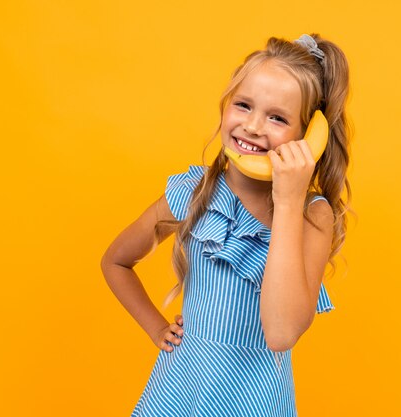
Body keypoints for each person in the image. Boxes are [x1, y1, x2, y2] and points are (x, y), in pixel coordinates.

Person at [100, 33, 351, 417]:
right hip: (180, 388)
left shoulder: (310, 215)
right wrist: (155, 327)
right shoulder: (193, 192)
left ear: (308, 138)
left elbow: (281, 333)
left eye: (277, 118)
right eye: (243, 105)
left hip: (254, 399)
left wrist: (288, 201)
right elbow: (115, 261)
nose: (251, 126)